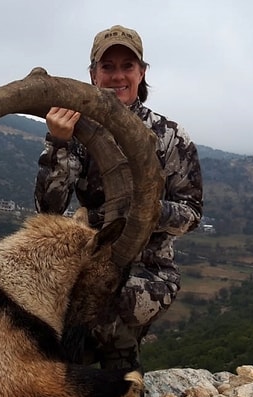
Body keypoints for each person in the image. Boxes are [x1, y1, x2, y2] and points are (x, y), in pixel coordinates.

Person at [34, 24, 203, 369]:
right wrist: (59, 142)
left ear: (142, 73)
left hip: (148, 272)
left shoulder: (171, 137)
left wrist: (147, 210)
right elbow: (48, 208)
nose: (117, 76)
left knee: (95, 310)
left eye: (127, 66)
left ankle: (119, 375)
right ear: (93, 74)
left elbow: (191, 213)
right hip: (85, 261)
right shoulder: (74, 130)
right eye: (107, 67)